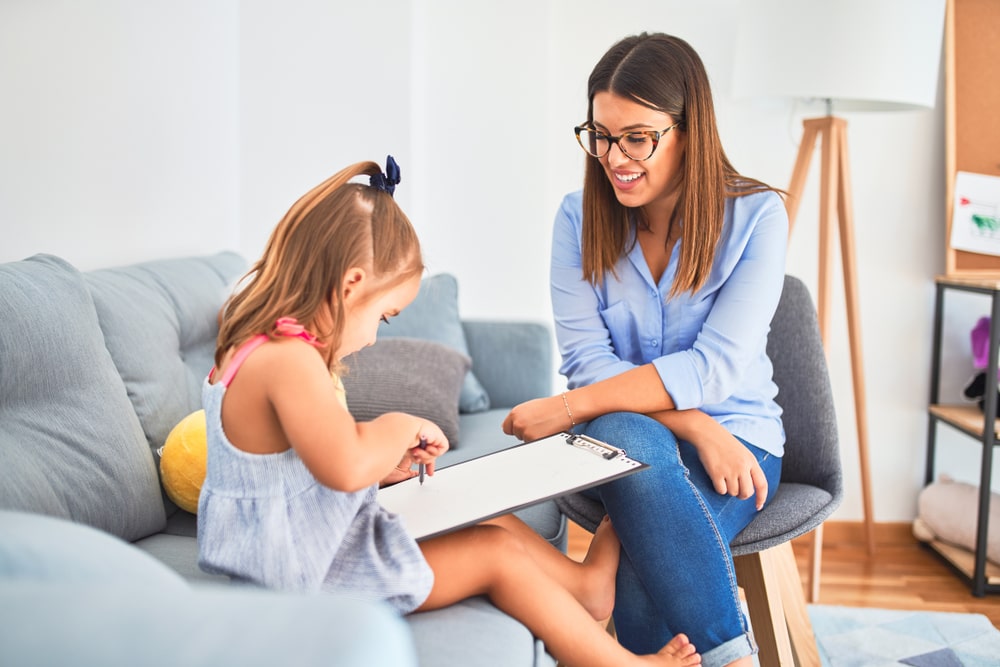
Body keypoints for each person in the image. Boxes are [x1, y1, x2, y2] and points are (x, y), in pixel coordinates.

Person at [196, 157, 702, 667]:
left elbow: (295, 469)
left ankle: (586, 588)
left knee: (470, 505)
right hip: (309, 577)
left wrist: (386, 467)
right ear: (351, 285)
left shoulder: (257, 348)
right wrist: (394, 426)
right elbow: (344, 465)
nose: (372, 336)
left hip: (299, 552)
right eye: (384, 316)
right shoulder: (289, 360)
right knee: (495, 556)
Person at [502, 32, 788, 667]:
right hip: (634, 439)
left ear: (690, 130)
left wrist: (571, 408)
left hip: (740, 442)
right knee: (633, 443)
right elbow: (588, 361)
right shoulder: (577, 220)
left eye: (637, 137)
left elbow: (715, 369)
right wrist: (689, 423)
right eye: (600, 135)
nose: (614, 156)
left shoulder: (759, 217)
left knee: (638, 566)